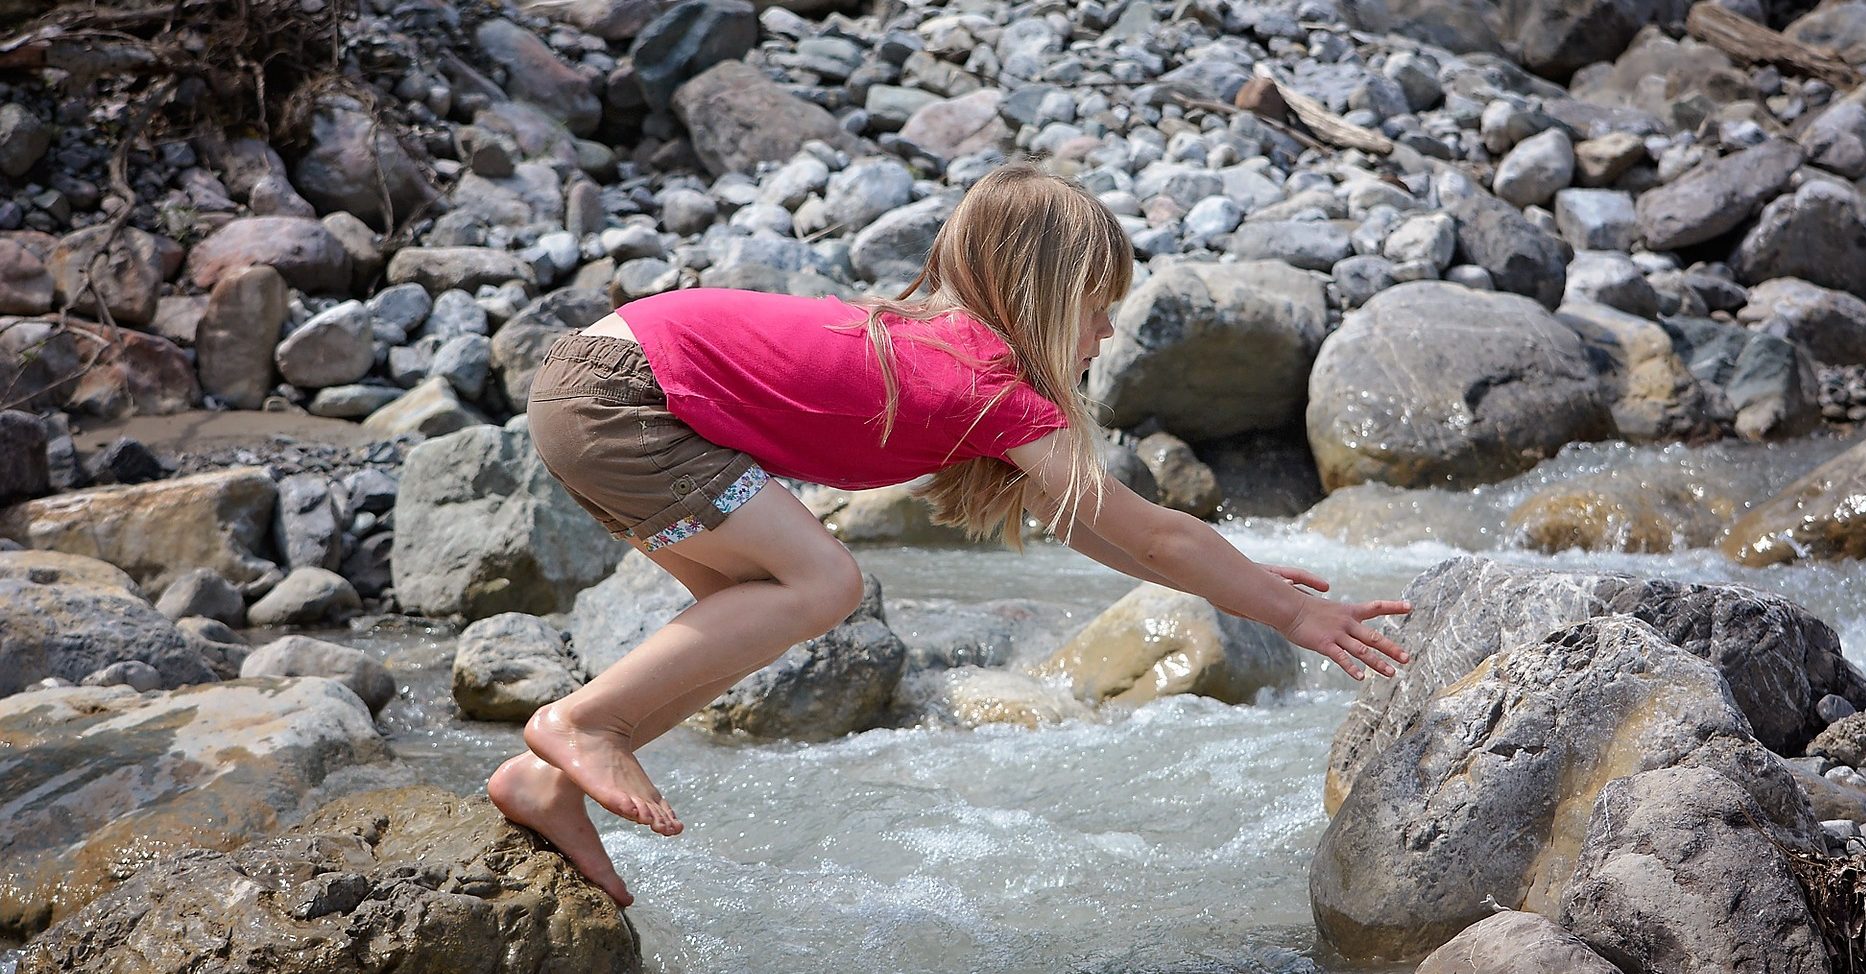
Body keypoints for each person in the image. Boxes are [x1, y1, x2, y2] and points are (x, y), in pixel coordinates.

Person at [485, 162, 1413, 906]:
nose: (1105, 334)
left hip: (599, 386)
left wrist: (1242, 579)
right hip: (626, 393)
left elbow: (1097, 530)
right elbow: (1156, 536)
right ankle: (581, 723)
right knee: (825, 585)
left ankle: (547, 781)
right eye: (1096, 311)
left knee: (748, 609)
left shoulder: (953, 359)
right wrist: (1292, 617)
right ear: (1044, 298)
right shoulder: (982, 377)